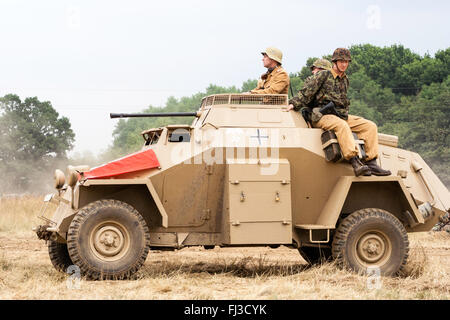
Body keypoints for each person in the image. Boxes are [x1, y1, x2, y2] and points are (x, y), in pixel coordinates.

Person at [287, 48, 391, 177]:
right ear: (334, 62)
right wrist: (293, 104)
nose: (344, 64)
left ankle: (371, 162)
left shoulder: (345, 80)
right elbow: (305, 93)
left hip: (339, 115)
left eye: (346, 62)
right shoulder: (322, 75)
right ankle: (355, 162)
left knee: (369, 126)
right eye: (341, 61)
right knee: (341, 126)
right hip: (321, 116)